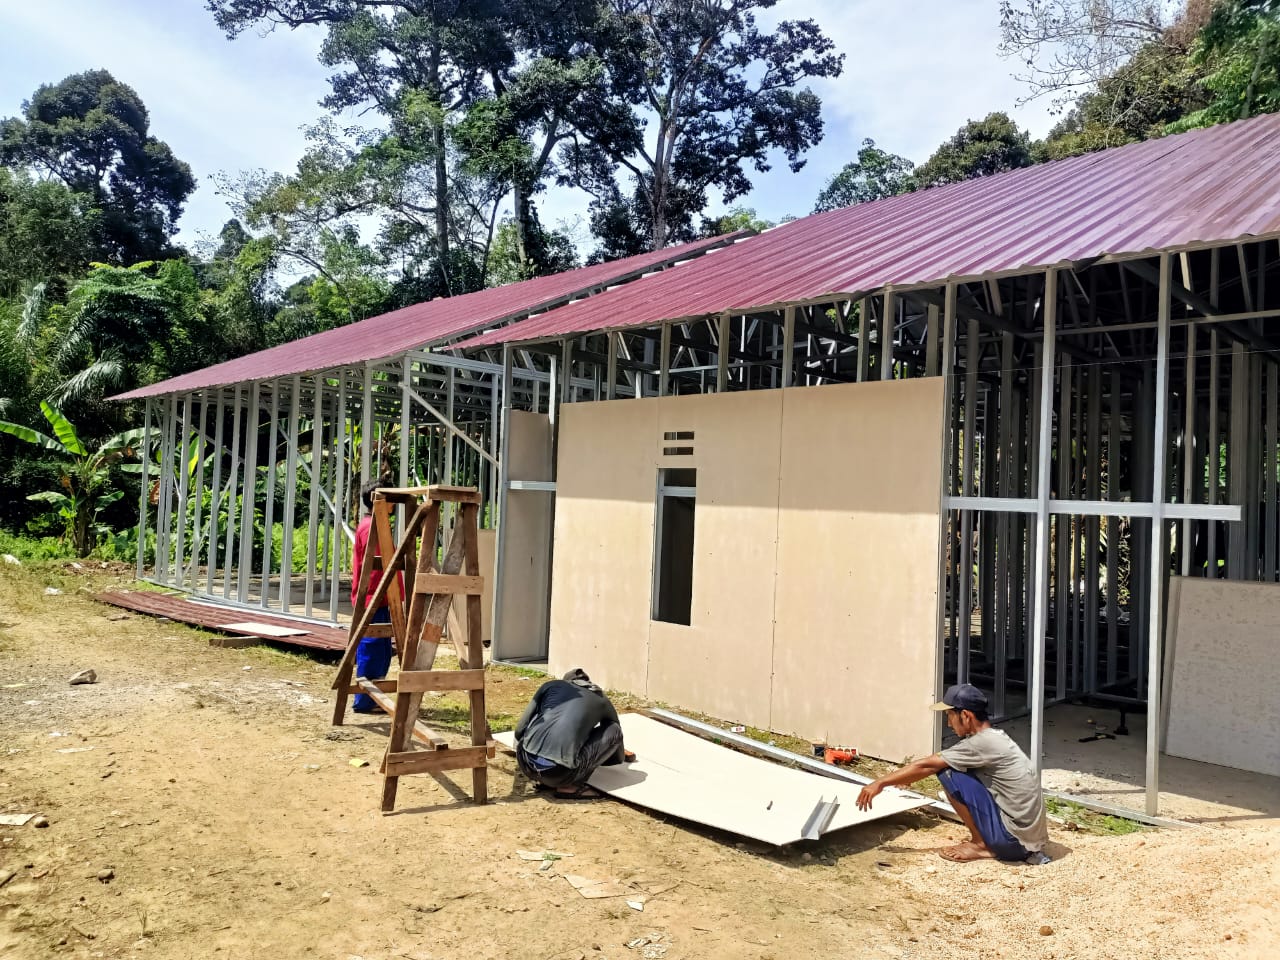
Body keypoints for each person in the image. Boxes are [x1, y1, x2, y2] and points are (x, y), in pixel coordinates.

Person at [856, 683, 1051, 864]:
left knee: (947, 770)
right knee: (954, 765)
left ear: (965, 715)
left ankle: (981, 845)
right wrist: (907, 778)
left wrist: (879, 783)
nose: (949, 723)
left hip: (1012, 843)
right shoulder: (996, 738)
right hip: (1029, 841)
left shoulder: (981, 743)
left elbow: (927, 766)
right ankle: (989, 840)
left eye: (949, 715)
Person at [514, 668, 636, 799]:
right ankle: (569, 787)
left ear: (566, 681)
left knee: (541, 713)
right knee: (614, 729)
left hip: (525, 764)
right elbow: (615, 735)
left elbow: (520, 730)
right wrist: (615, 757)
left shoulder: (550, 686)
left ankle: (543, 777)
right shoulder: (601, 699)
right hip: (558, 775)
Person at [349, 479, 401, 714]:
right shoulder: (372, 527)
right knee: (372, 648)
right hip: (374, 596)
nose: (394, 504)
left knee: (380, 649)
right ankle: (365, 701)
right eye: (391, 499)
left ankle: (372, 698)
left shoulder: (372, 525)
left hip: (378, 596)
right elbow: (382, 566)